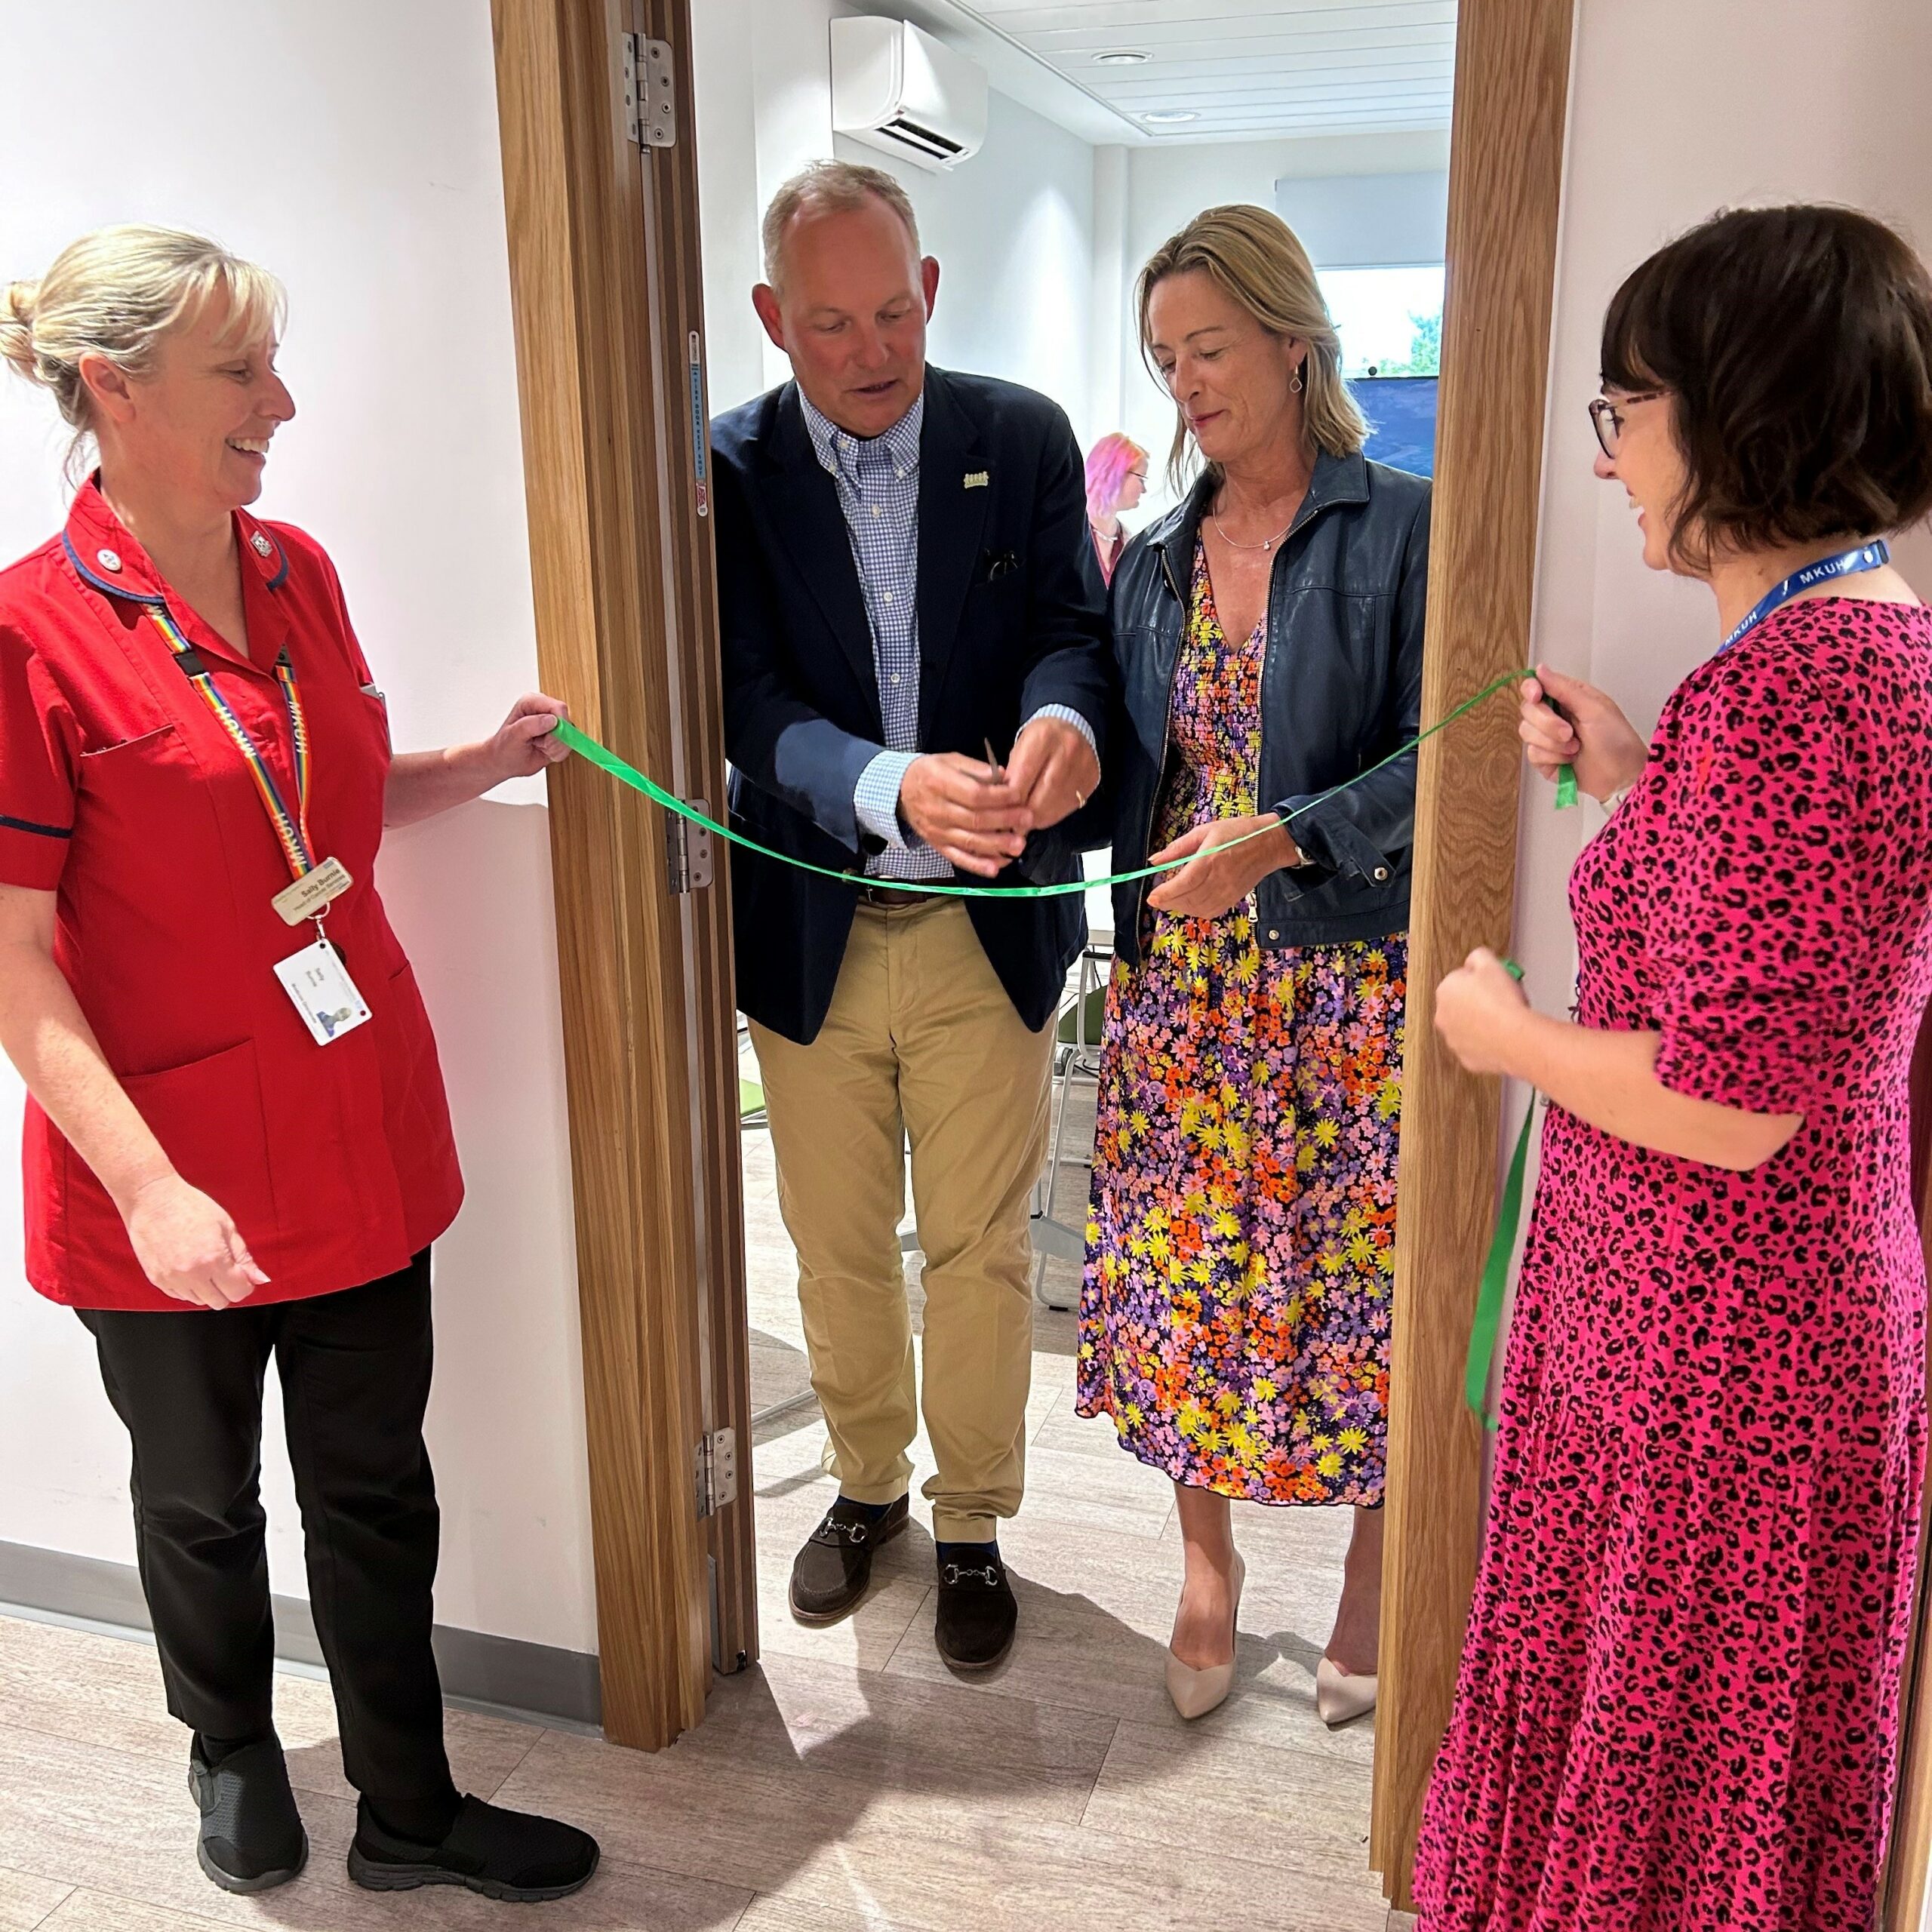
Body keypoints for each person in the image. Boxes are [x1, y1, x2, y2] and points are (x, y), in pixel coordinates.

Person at [0, 226, 600, 1903]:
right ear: (114, 388)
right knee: (199, 1503)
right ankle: (232, 1748)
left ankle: (408, 1803)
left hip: (349, 1127)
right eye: (240, 372)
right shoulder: (28, 636)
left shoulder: (298, 572)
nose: (283, 401)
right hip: (162, 1166)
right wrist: (149, 1184)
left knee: (373, 1490)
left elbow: (304, 806)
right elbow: (14, 956)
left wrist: (468, 765)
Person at [1420, 205, 1932, 1930]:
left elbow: (1733, 1094)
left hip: (1717, 1362)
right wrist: (1640, 767)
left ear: (1734, 413)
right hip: (1702, 1341)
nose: (1609, 459)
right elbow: (1765, 964)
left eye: (1620, 413)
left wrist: (1500, 1037)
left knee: (1667, 1808)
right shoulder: (1811, 663)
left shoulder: (1807, 687)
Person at [712, 161, 1109, 1673]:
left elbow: (1069, 633)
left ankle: (971, 1520)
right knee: (829, 1244)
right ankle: (864, 1485)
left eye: (892, 310)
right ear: (772, 319)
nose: (872, 349)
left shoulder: (1016, 436)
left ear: (929, 288)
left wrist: (1061, 720)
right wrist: (884, 784)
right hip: (811, 926)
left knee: (977, 1248)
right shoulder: (728, 469)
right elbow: (748, 701)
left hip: (984, 930)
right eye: (830, 323)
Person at [1078, 204, 1429, 1724]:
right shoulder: (1152, 556)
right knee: (1181, 1293)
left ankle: (1367, 1579)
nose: (1184, 385)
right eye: (1163, 358)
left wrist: (1280, 840)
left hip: (1349, 987)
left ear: (1293, 337)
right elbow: (1131, 764)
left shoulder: (1400, 525)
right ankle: (1203, 1569)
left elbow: (1441, 755)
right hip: (1182, 993)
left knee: (1362, 1286)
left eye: (1207, 348)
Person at [1084, 431, 1147, 583]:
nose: (1144, 490)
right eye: (1141, 479)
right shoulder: (1071, 532)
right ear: (1117, 474)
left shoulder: (1128, 541)